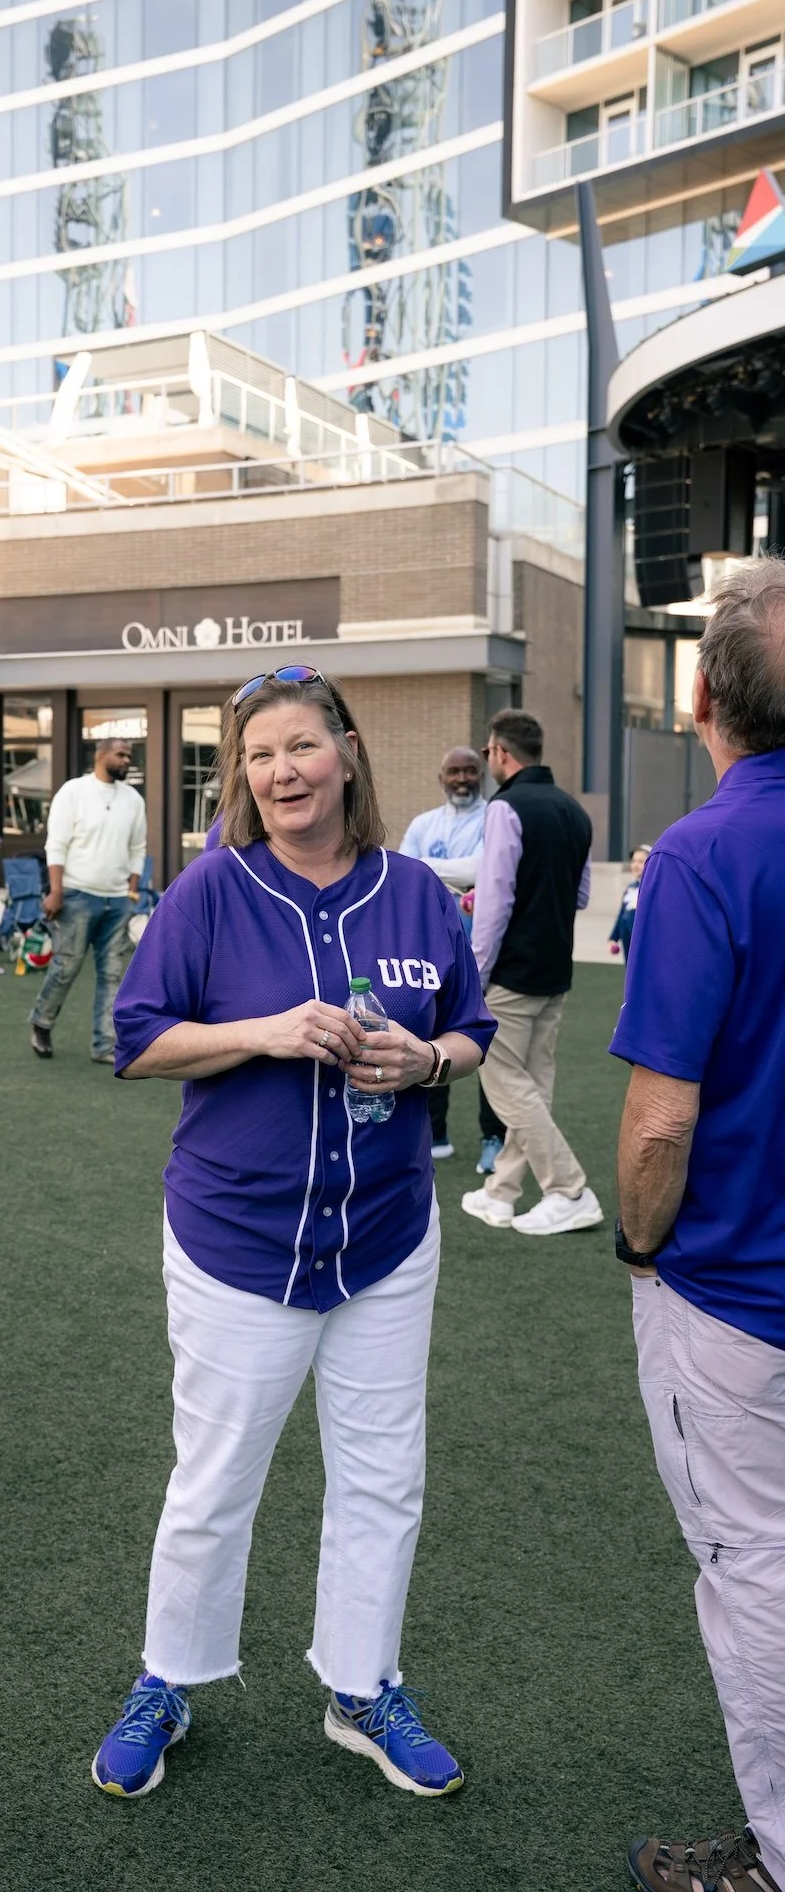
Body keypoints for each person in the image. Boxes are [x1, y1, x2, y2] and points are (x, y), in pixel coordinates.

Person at [95, 664, 495, 1800]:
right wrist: (264, 1032)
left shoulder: (416, 890)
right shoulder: (211, 890)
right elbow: (134, 1038)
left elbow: (467, 1031)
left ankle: (362, 1685)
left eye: (301, 747)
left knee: (382, 1475)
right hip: (237, 1237)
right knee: (215, 1476)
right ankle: (165, 1679)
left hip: (382, 1235)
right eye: (258, 754)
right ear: (241, 775)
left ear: (348, 753)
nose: (281, 771)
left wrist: (423, 1060)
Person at [611, 561, 785, 1892]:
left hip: (735, 1291)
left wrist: (638, 1245)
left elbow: (660, 1128)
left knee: (755, 1584)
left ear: (707, 700)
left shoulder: (708, 855)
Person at [460, 708, 602, 1237]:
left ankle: (568, 1189)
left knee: (506, 1086)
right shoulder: (575, 811)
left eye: (488, 752)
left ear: (500, 752)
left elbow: (496, 901)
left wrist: (474, 975)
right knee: (532, 1089)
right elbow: (580, 894)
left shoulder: (505, 808)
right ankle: (500, 1194)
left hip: (512, 975)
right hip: (554, 974)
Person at [399, 745, 506, 1172]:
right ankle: (435, 1134)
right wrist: (449, 872)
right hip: (431, 944)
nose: (462, 779)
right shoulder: (424, 822)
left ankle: (493, 1138)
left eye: (470, 771)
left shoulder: (493, 818)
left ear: (481, 775)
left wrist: (431, 870)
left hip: (484, 947)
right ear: (440, 778)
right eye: (453, 772)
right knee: (432, 1034)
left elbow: (483, 870)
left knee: (482, 1043)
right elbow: (405, 869)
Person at [29, 737, 147, 1064]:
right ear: (101, 756)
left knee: (112, 974)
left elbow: (138, 848)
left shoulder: (133, 800)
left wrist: (132, 891)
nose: (126, 760)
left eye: (129, 756)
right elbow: (56, 845)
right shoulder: (73, 792)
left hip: (118, 901)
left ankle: (104, 1045)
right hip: (77, 895)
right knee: (66, 967)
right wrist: (55, 890)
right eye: (121, 754)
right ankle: (41, 1022)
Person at [609, 843, 651, 964]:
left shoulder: (650, 890)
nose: (635, 865)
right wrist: (614, 937)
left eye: (640, 861)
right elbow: (621, 914)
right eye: (633, 861)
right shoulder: (630, 888)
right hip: (627, 937)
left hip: (643, 940)